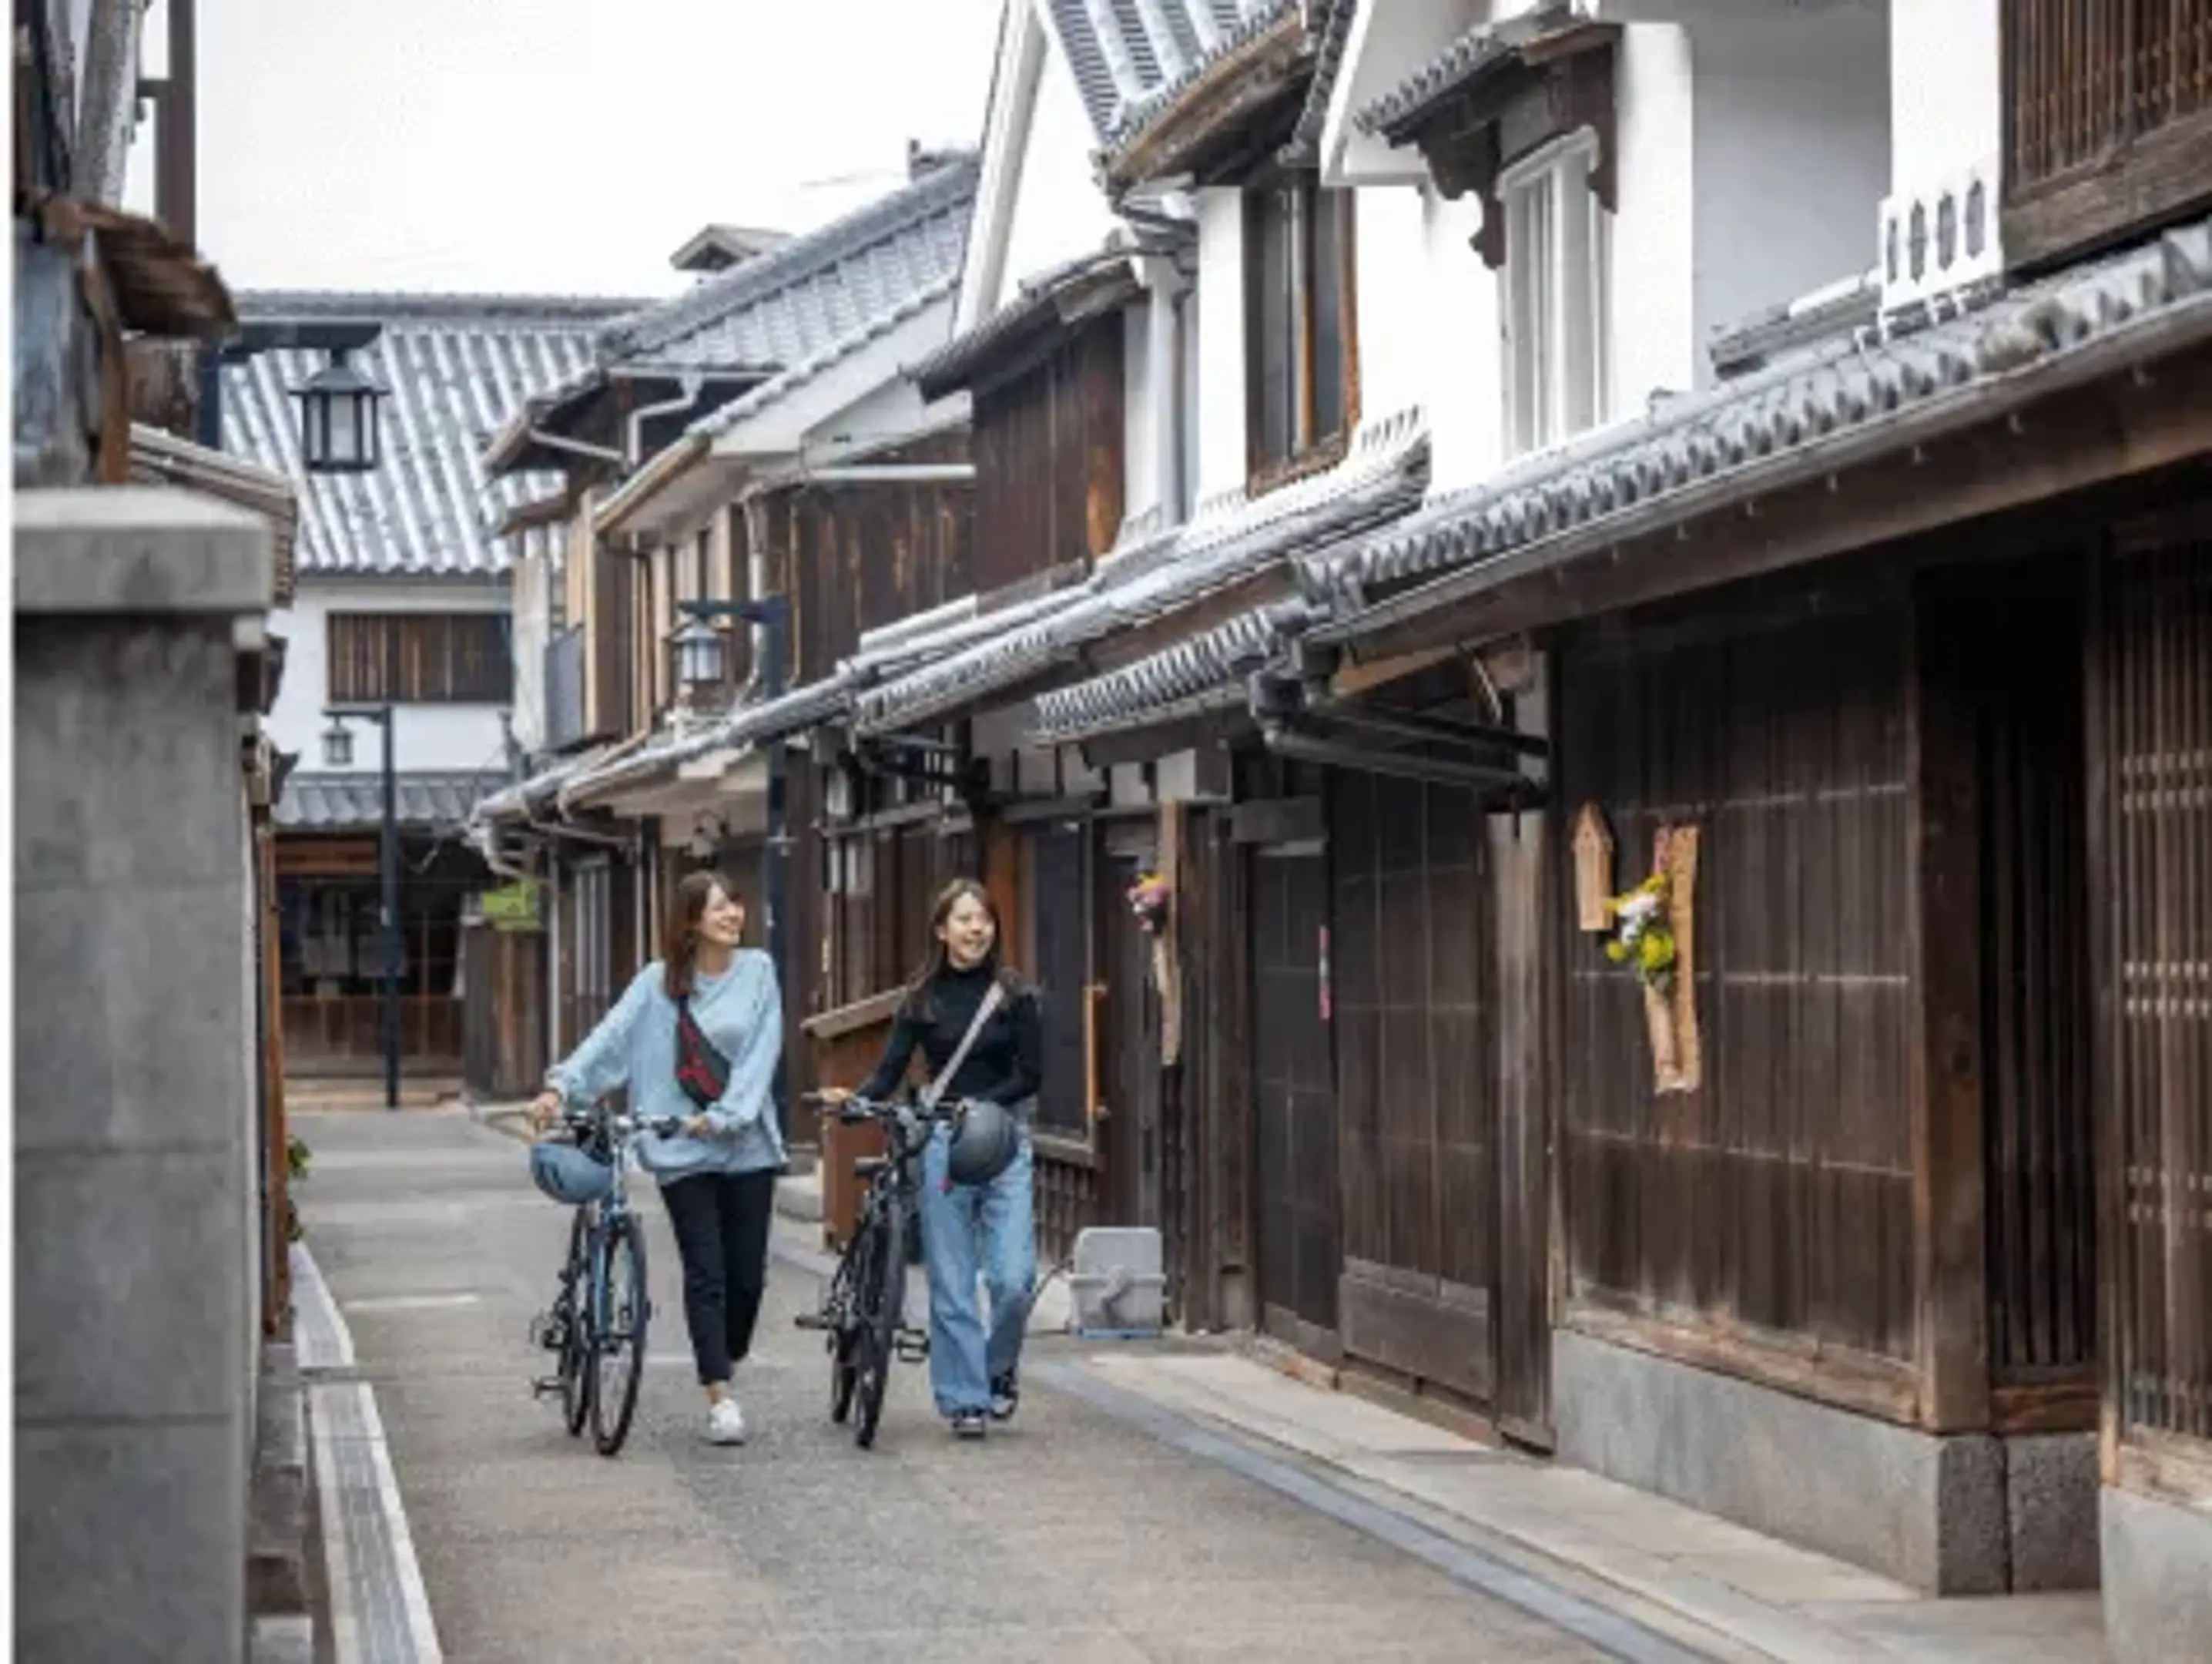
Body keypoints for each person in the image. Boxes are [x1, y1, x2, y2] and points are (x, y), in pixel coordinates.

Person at [529, 872, 783, 1446]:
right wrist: (561, 1088)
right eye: (719, 907)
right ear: (691, 919)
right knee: (706, 1272)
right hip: (678, 1144)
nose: (732, 915)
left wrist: (726, 1116)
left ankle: (725, 1349)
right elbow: (609, 1039)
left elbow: (762, 1053)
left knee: (748, 1279)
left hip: (747, 1145)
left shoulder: (760, 972)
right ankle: (719, 1395)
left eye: (735, 904)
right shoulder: (656, 984)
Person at [826, 878, 1041, 1439]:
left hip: (1003, 1141)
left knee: (1014, 1281)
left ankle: (996, 1371)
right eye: (965, 919)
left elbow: (1031, 1074)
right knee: (952, 1279)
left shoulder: (1016, 996)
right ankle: (964, 1398)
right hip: (943, 1140)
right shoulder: (921, 999)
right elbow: (891, 1069)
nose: (977, 929)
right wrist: (859, 1101)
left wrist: (982, 1107)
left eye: (985, 919)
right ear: (942, 930)